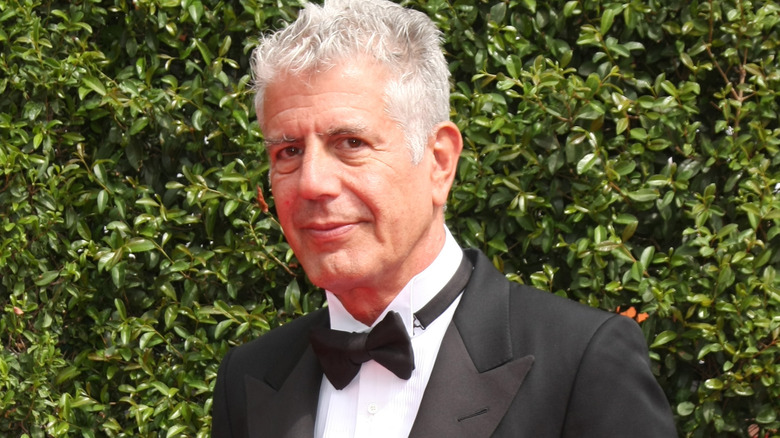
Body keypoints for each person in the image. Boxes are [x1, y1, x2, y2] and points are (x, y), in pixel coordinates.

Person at [211, 0, 677, 436]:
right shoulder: (247, 378)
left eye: (350, 143)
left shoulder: (581, 361)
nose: (312, 183)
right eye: (288, 151)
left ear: (439, 161)